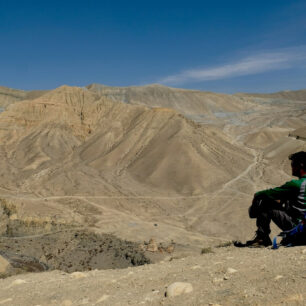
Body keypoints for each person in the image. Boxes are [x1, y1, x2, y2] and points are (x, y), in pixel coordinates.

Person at [245, 151, 306, 247]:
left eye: (293, 164)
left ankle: (262, 237)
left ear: (301, 165)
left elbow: (266, 194)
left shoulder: (296, 185)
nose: (291, 167)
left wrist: (256, 197)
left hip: (299, 228)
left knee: (265, 203)